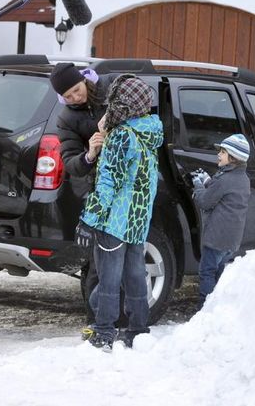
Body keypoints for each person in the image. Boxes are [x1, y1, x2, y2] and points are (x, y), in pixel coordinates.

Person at [76, 74, 164, 351]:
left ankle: (104, 330)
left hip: (113, 220)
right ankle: (139, 329)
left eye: (114, 100)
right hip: (137, 221)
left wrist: (88, 220)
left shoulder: (120, 137)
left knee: (109, 279)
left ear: (122, 104)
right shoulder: (149, 132)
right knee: (136, 275)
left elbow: (107, 182)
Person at [49, 62, 118, 326]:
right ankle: (96, 320)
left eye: (77, 90)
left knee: (128, 253)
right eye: (68, 96)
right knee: (98, 260)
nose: (75, 98)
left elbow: (142, 100)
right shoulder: (66, 118)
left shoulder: (109, 86)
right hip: (98, 187)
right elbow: (72, 163)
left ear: (84, 80)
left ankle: (123, 316)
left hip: (127, 182)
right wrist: (89, 154)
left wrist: (112, 122)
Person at [191, 133, 251, 308]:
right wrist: (208, 181)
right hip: (231, 240)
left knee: (206, 272)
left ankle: (204, 309)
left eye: (223, 152)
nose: (218, 154)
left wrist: (198, 184)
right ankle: (216, 307)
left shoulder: (225, 179)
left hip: (216, 238)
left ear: (233, 158)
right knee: (218, 271)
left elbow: (205, 201)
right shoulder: (242, 179)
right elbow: (223, 192)